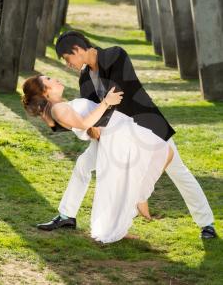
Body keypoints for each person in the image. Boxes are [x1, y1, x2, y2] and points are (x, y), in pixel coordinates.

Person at [36, 30, 216, 239]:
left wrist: (95, 121)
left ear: (77, 50)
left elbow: (118, 96)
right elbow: (90, 112)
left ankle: (206, 224)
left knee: (178, 171)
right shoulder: (85, 77)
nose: (68, 64)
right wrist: (56, 122)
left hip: (147, 127)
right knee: (83, 164)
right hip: (111, 135)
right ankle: (67, 214)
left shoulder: (115, 55)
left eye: (68, 58)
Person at [22, 74, 174, 243]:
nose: (55, 79)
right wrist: (106, 102)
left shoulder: (60, 106)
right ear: (45, 92)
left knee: (84, 166)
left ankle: (69, 215)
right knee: (158, 154)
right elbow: (83, 123)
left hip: (110, 132)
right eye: (49, 79)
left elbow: (83, 123)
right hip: (114, 135)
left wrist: (92, 125)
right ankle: (129, 209)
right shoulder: (57, 109)